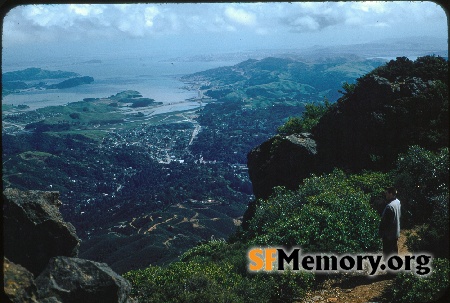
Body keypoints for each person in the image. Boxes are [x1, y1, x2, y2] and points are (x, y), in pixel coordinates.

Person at [379, 187, 401, 259]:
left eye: (387, 193)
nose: (386, 195)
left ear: (391, 194)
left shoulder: (389, 206)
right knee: (394, 253)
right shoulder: (398, 202)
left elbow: (385, 222)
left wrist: (381, 234)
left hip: (389, 236)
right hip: (395, 233)